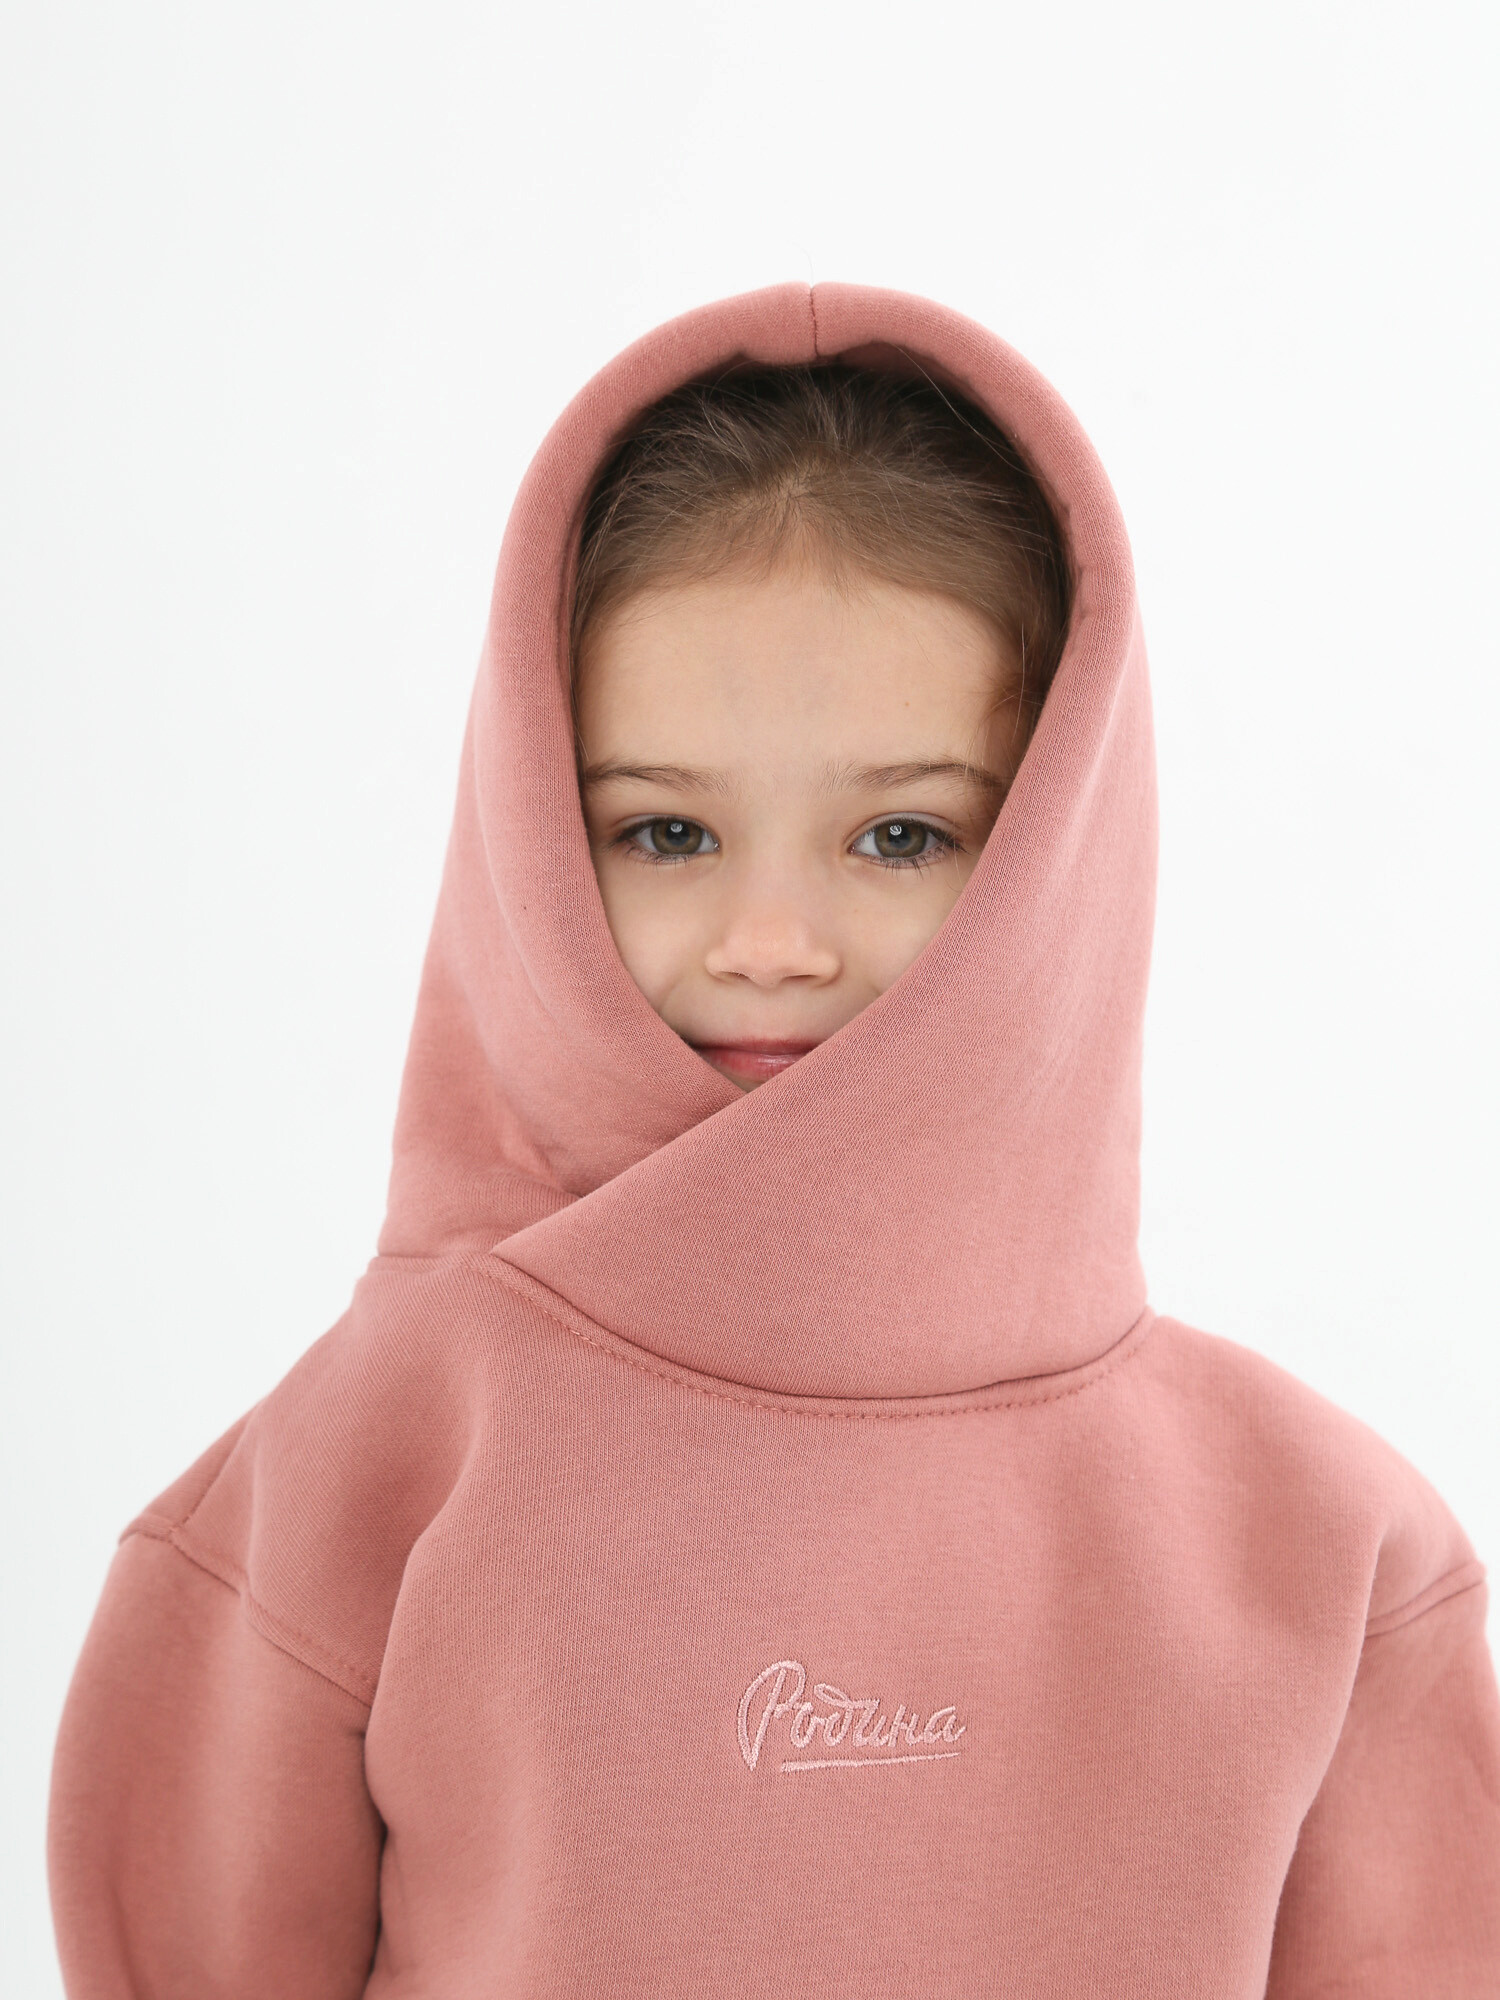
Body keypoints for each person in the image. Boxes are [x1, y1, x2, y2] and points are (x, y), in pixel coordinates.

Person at [48, 283, 1500, 1995]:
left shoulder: (1325, 1547)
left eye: (900, 835)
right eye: (667, 830)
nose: (771, 942)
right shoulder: (368, 1463)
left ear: (1060, 845)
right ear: (531, 831)